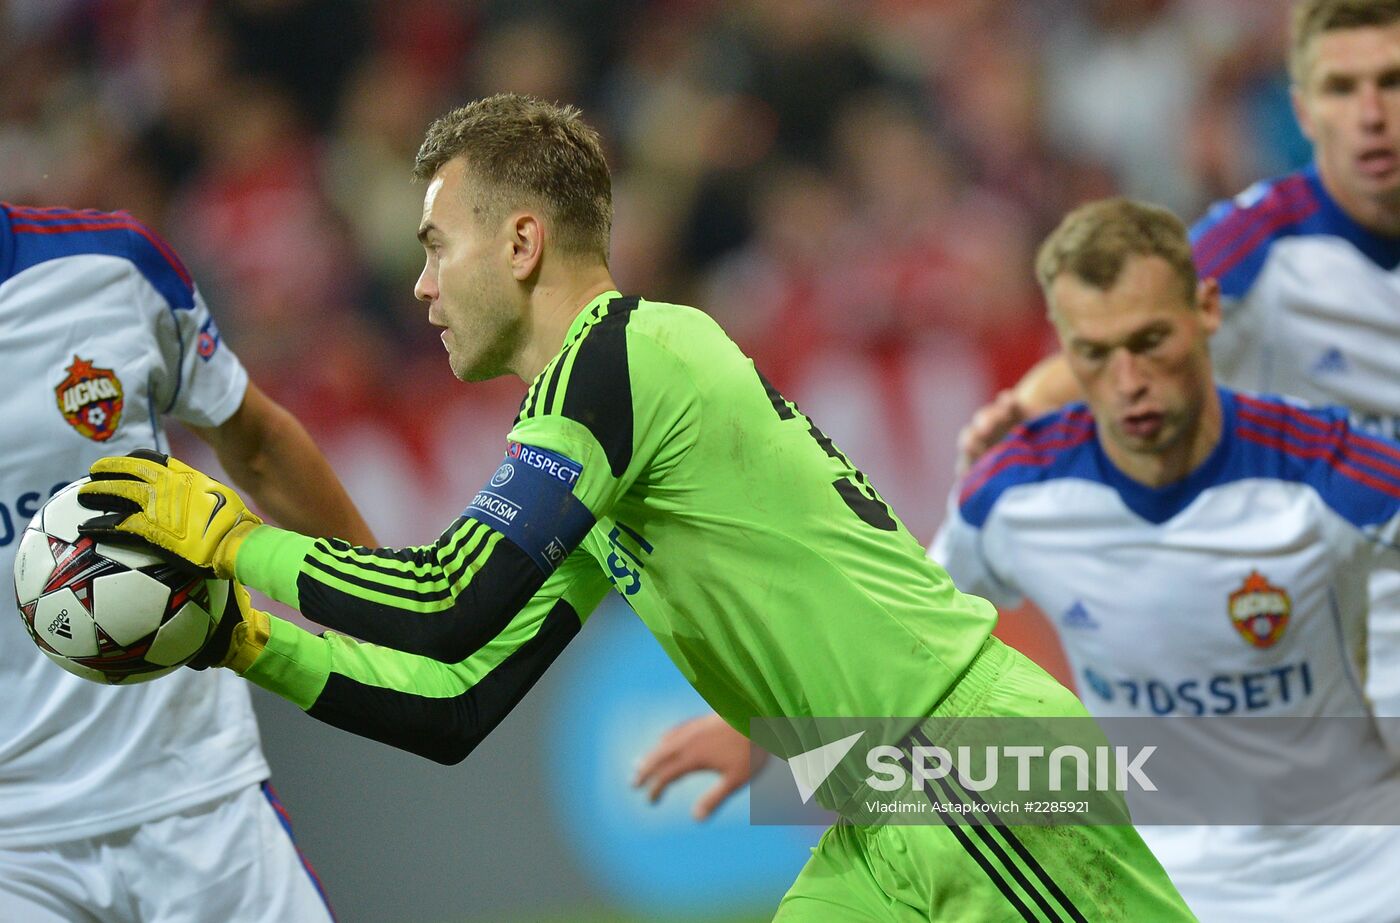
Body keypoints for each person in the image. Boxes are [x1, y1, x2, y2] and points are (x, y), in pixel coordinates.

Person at [75, 93, 1195, 921]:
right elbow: (454, 699)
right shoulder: (597, 424)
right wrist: (242, 638)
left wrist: (229, 533)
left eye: (435, 244)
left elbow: (441, 602)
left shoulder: (618, 362)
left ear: (520, 243)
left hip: (968, 766)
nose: (417, 284)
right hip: (876, 796)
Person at [637, 197, 1400, 921]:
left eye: (1150, 341)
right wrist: (756, 730)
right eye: (1094, 354)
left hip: (1359, 880)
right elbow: (902, 632)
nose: (1129, 382)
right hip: (1160, 882)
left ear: (1206, 311)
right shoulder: (1016, 495)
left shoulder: (1330, 471)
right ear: (1062, 351)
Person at [956, 0, 1400, 720]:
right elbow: (1129, 323)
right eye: (1343, 90)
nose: (1373, 114)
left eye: (1393, 81)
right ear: (1305, 111)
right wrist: (1024, 408)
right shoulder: (1261, 243)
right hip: (1332, 648)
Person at [0, 202, 374, 922]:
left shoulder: (110, 267)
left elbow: (256, 442)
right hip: (12, 840)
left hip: (194, 782)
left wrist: (384, 598)